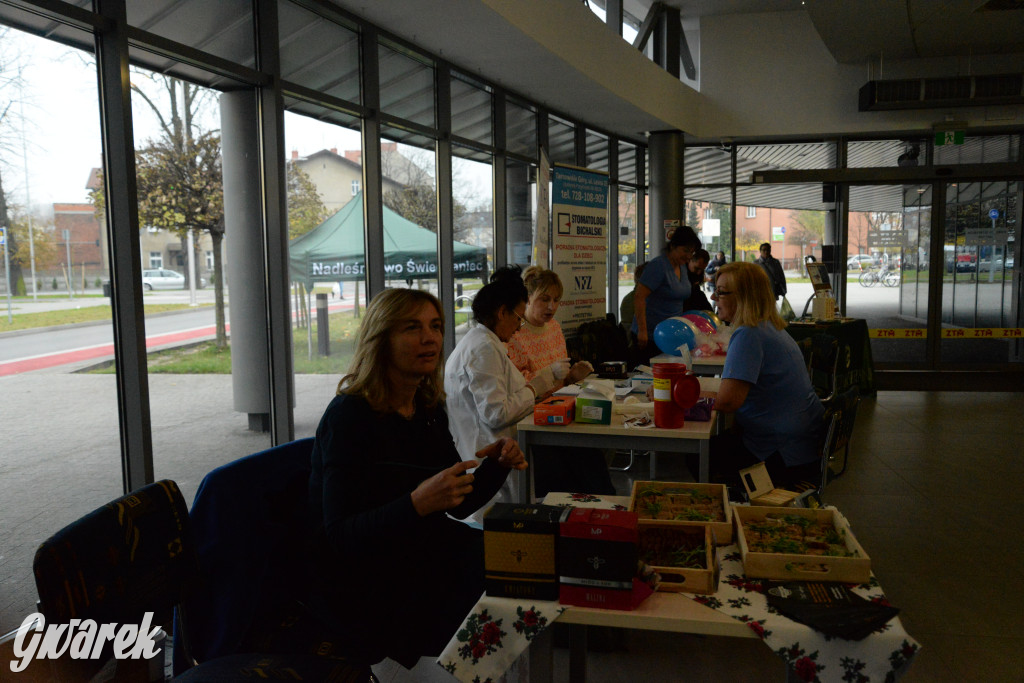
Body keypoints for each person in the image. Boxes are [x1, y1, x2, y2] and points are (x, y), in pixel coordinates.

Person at [306, 288, 527, 668]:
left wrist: (498, 465)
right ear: (381, 340)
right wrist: (416, 504)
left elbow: (457, 503)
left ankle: (487, 670)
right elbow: (339, 537)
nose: (430, 338)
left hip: (420, 549)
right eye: (412, 327)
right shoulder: (350, 416)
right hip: (370, 577)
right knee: (508, 579)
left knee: (527, 560)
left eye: (436, 326)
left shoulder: (425, 408)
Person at [445, 266, 562, 523]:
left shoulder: (486, 342)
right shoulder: (483, 348)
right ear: (501, 312)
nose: (520, 327)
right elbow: (496, 413)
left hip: (497, 456)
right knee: (496, 528)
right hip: (487, 455)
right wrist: (535, 388)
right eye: (518, 318)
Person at [703, 262, 824, 492]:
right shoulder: (768, 327)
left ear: (744, 297)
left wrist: (676, 393)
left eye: (720, 291)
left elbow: (728, 401)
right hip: (801, 444)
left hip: (781, 452)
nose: (713, 297)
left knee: (700, 455)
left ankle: (735, 509)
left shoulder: (749, 334)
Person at [506, 266, 613, 497]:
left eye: (556, 300)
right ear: (527, 299)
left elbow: (561, 378)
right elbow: (517, 386)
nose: (551, 307)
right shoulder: (513, 333)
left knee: (594, 467)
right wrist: (551, 377)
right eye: (544, 299)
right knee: (566, 477)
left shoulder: (553, 327)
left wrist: (573, 376)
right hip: (534, 417)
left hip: (563, 408)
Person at [630, 225, 702, 364]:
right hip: (650, 336)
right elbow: (639, 297)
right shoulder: (658, 266)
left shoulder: (681, 266)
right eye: (685, 250)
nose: (688, 256)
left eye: (691, 252)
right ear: (673, 246)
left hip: (670, 336)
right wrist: (642, 331)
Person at [682, 248, 712, 312]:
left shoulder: (696, 274)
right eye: (696, 268)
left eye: (702, 269)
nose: (699, 272)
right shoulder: (680, 274)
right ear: (690, 260)